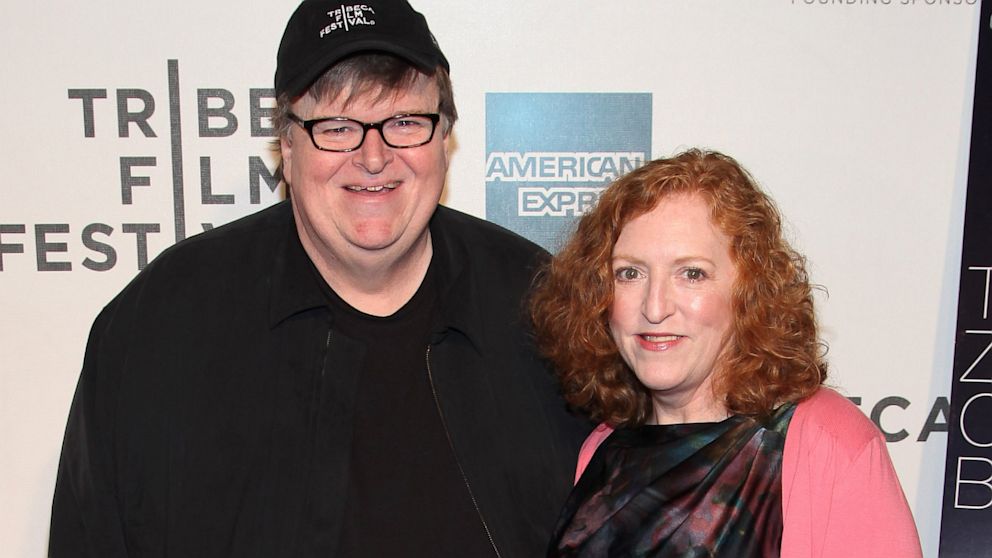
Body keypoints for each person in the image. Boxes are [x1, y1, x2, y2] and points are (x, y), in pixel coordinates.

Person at [49, 1, 589, 556]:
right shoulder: (161, 325)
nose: (373, 157)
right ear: (286, 144)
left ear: (444, 137)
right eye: (337, 126)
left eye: (405, 122)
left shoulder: (546, 313)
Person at [530, 149, 923, 557]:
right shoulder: (602, 449)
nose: (655, 306)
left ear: (748, 293)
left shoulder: (825, 442)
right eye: (630, 273)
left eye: (692, 273)